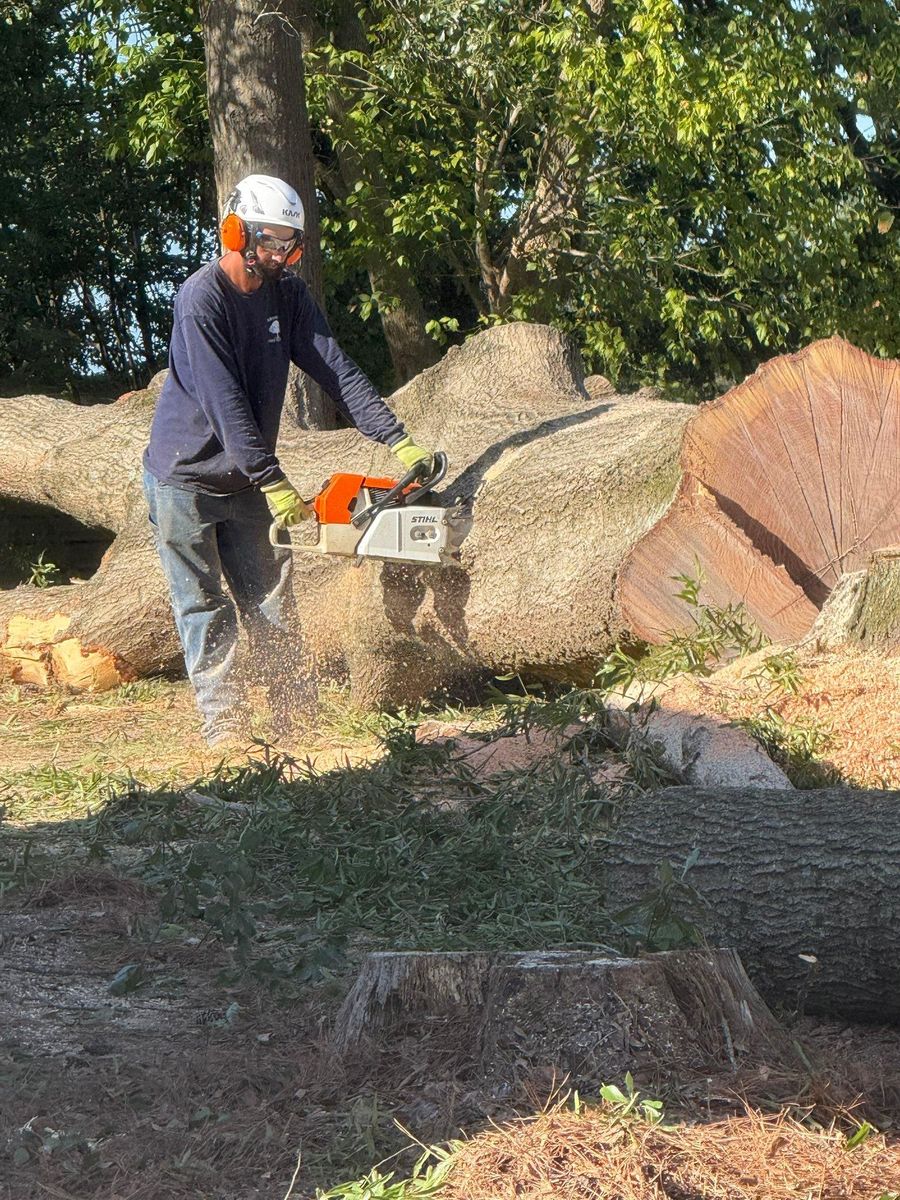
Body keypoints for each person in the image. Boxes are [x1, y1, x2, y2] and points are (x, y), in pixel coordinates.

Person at [143, 173, 433, 747]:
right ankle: (223, 726)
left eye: (289, 243)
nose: (280, 254)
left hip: (248, 479)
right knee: (203, 605)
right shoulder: (200, 299)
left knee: (271, 597)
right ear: (236, 230)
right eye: (270, 241)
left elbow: (334, 368)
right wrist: (273, 481)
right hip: (185, 481)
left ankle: (294, 715)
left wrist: (395, 438)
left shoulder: (289, 296)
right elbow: (224, 404)